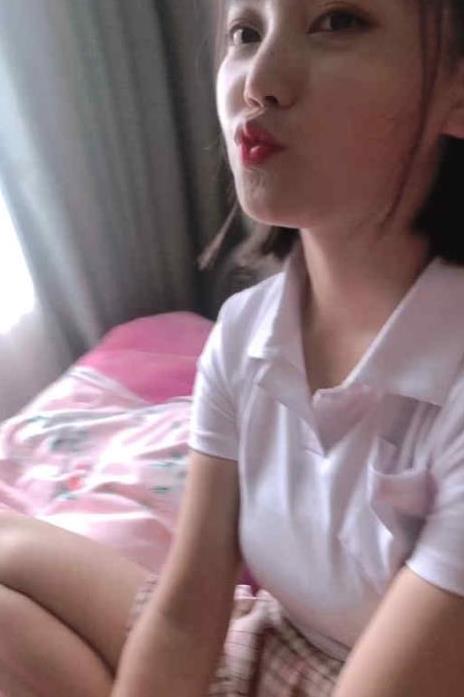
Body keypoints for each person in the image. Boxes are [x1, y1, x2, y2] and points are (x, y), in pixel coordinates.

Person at [2, 0, 464, 695]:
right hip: (277, 643)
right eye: (246, 33)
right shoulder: (247, 334)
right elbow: (187, 614)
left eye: (338, 21)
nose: (259, 80)